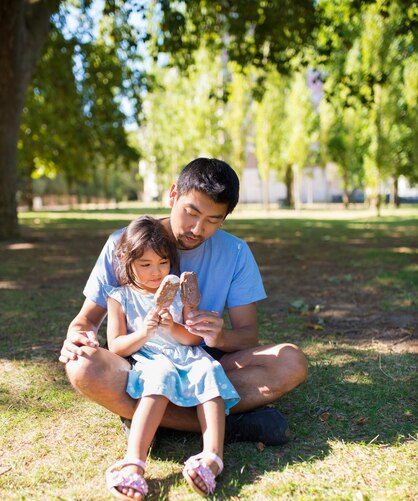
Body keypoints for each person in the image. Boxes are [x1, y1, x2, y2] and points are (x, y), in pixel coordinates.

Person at [60, 157, 308, 445]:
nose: (197, 229)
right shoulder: (124, 244)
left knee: (291, 361)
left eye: (213, 220)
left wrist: (219, 336)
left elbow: (247, 335)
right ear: (173, 194)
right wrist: (79, 336)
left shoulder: (237, 253)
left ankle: (151, 420)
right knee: (81, 366)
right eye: (191, 213)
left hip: (203, 363)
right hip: (141, 365)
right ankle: (229, 427)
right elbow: (86, 319)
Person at [105, 215, 239, 501]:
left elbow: (193, 339)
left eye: (163, 263)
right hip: (151, 359)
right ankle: (134, 463)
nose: (156, 272)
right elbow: (116, 346)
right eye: (146, 265)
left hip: (187, 354)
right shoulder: (120, 297)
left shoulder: (179, 293)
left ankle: (213, 458)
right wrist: (145, 331)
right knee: (161, 375)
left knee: (208, 369)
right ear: (127, 262)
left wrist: (172, 326)